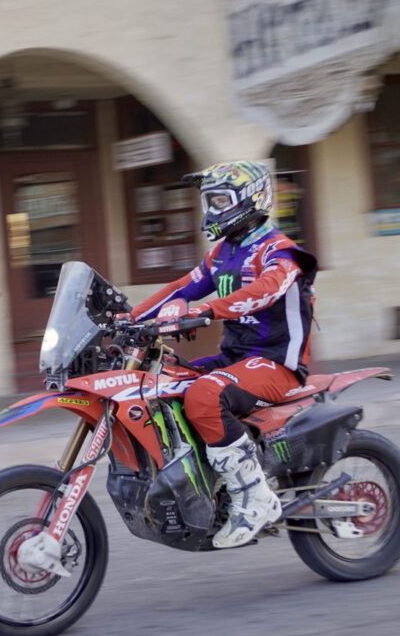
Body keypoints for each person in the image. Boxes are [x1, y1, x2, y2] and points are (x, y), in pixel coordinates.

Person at [131, 160, 317, 549]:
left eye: (220, 200)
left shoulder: (280, 252)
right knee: (164, 386)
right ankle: (206, 484)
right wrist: (125, 319)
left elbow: (265, 290)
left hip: (276, 364)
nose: (212, 209)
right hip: (236, 358)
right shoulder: (222, 254)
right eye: (208, 201)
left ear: (252, 199)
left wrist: (206, 310)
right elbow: (181, 288)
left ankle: (254, 497)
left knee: (206, 394)